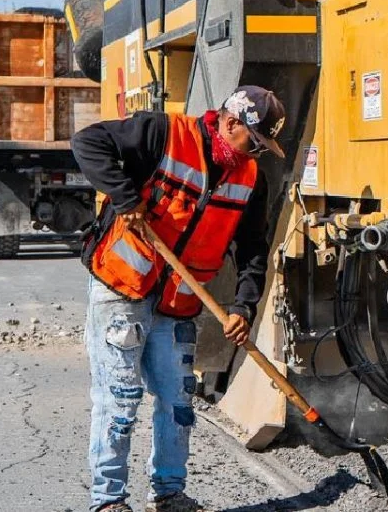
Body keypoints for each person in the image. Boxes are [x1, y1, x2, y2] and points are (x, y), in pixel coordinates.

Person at [70, 86, 286, 512]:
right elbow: (88, 142)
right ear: (230, 123)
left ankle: (169, 493)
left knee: (178, 402)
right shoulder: (163, 133)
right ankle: (108, 501)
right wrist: (125, 198)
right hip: (123, 286)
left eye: (263, 147)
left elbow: (253, 249)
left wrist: (243, 306)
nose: (255, 154)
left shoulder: (249, 179)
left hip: (178, 302)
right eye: (254, 142)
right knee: (120, 398)